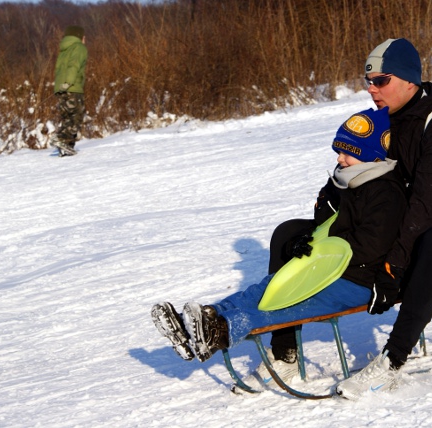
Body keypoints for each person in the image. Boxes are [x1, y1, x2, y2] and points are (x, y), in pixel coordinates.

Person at [151, 107, 407, 390]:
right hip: (327, 268)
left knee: (286, 302)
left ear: (371, 155)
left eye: (347, 152)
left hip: (360, 279)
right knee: (266, 288)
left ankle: (220, 331)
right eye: (338, 150)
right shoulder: (345, 180)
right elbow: (325, 222)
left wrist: (323, 253)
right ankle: (202, 323)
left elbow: (371, 246)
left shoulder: (386, 193)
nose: (339, 158)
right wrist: (308, 239)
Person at [331, 38, 432, 400]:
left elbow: (427, 210)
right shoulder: (380, 124)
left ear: (410, 81)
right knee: (291, 232)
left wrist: (392, 267)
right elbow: (354, 182)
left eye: (381, 80)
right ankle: (281, 348)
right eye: (368, 81)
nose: (371, 88)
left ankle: (392, 362)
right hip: (391, 243)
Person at [50, 25, 88, 157]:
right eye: (83, 36)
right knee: (77, 115)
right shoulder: (79, 47)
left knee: (68, 117)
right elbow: (74, 66)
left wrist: (61, 86)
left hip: (61, 88)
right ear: (79, 36)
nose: (85, 39)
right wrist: (68, 82)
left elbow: (59, 69)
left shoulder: (64, 49)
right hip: (72, 87)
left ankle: (66, 147)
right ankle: (61, 138)